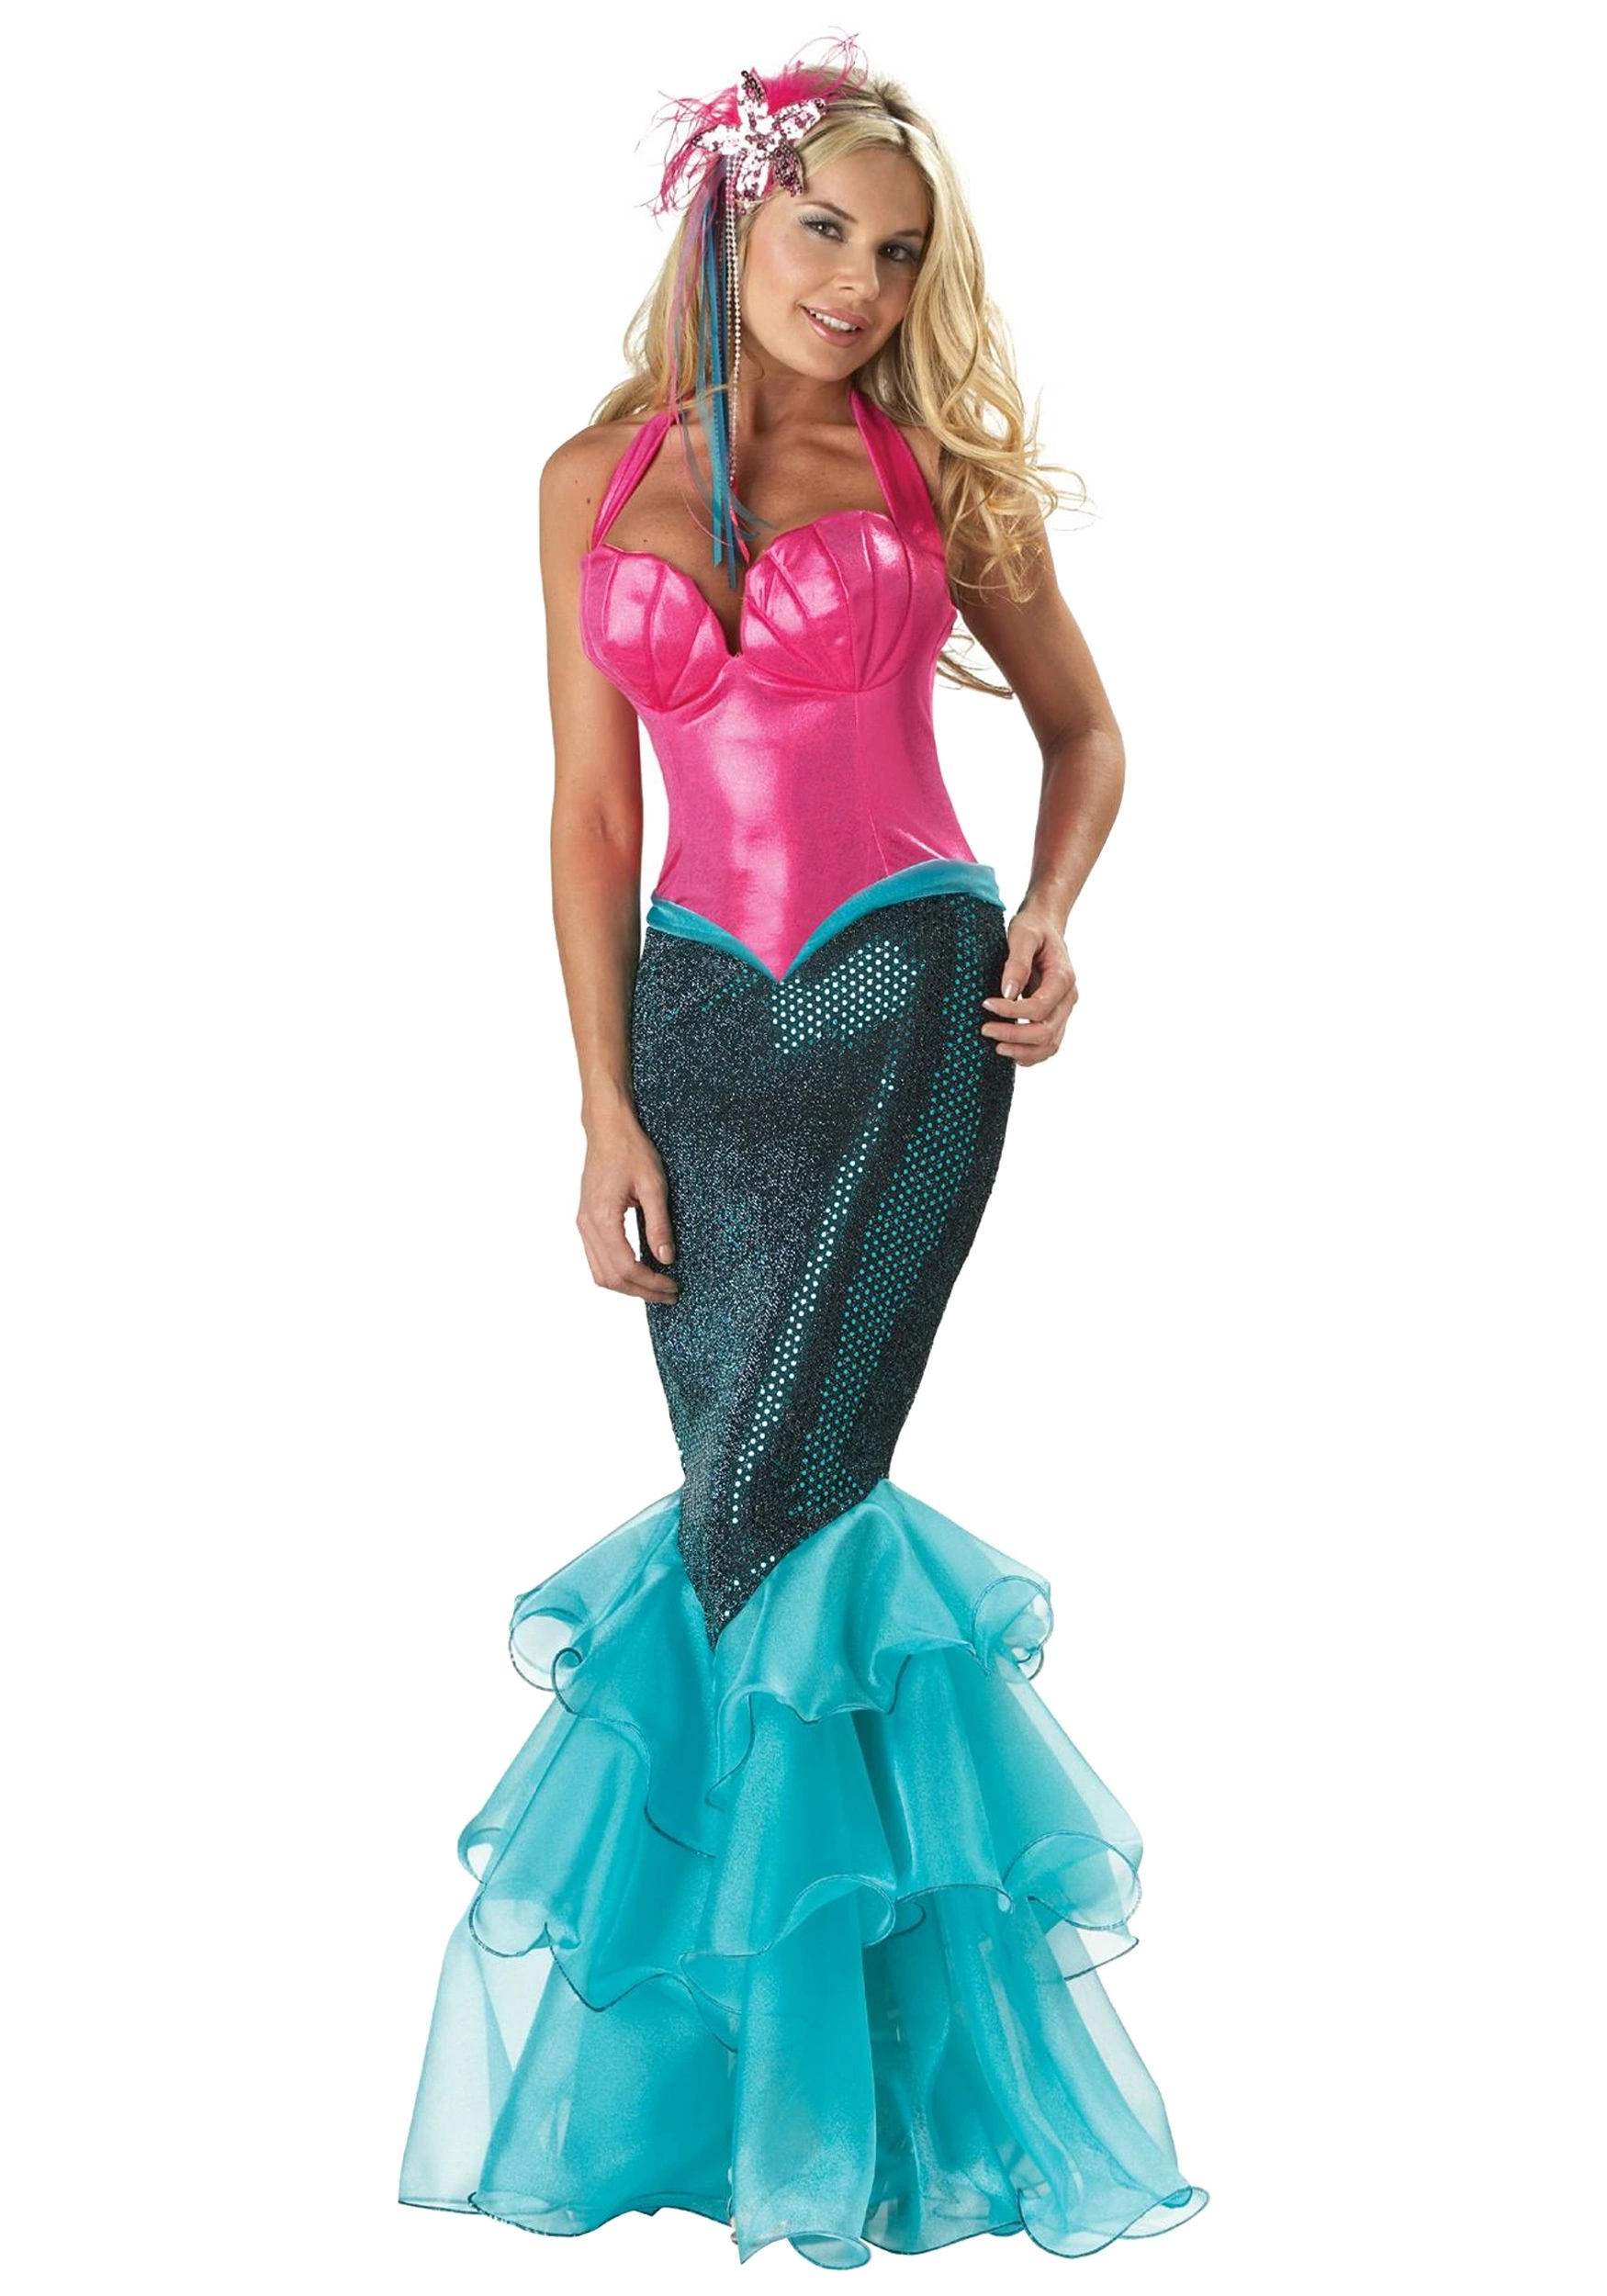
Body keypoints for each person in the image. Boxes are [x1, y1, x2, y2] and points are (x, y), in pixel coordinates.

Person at [399, 35, 1208, 2268]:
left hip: (904, 1006)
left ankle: (824, 2119)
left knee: (773, 1504)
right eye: (824, 229)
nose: (856, 281)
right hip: (692, 1030)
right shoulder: (587, 477)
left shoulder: (938, 471)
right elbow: (589, 810)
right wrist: (599, 1101)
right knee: (753, 1554)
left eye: (898, 252)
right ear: (731, 215)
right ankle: (816, 2113)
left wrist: (1050, 914)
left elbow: (1084, 732)